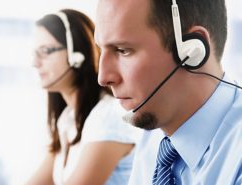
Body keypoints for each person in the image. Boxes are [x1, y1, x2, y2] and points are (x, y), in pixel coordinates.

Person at [95, 0, 242, 184]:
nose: (103, 77)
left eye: (123, 50)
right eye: (101, 50)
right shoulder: (155, 133)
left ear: (192, 51)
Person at [26, 9, 141, 185]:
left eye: (46, 51)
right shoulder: (67, 120)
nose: (35, 62)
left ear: (76, 54)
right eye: (35, 53)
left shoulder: (108, 116)